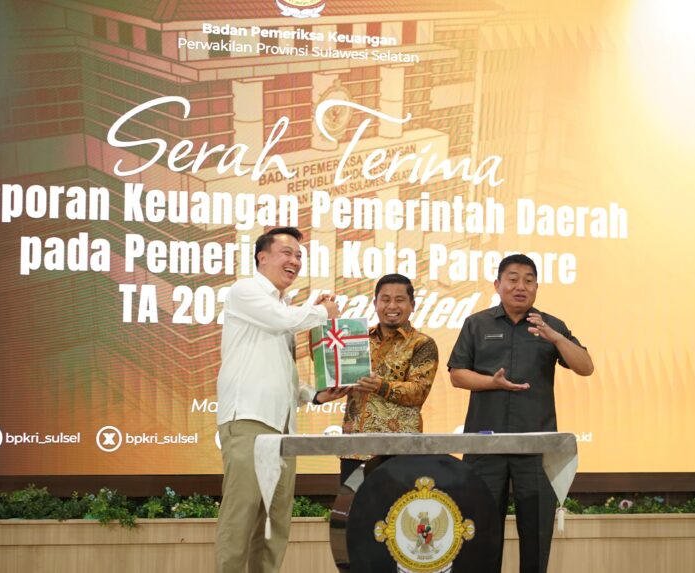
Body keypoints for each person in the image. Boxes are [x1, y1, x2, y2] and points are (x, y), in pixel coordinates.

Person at [447, 254, 593, 573]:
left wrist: (556, 338)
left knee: (537, 535)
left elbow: (586, 367)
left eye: (528, 280)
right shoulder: (477, 324)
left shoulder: (550, 325)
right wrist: (492, 382)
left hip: (535, 448)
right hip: (485, 446)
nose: (520, 286)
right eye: (512, 279)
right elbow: (457, 374)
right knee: (481, 533)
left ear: (537, 287)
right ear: (497, 285)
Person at [215, 226, 349, 573]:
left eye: (299, 256)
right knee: (241, 516)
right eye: (287, 253)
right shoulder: (245, 291)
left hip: (283, 429)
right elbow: (281, 321)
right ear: (262, 257)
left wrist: (314, 395)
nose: (295, 261)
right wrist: (322, 312)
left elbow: (283, 373)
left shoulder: (284, 308)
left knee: (274, 524)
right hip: (249, 420)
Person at [339, 273, 439, 483]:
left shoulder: (422, 343)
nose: (392, 306)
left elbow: (419, 391)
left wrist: (381, 386)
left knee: (396, 504)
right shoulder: (357, 339)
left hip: (400, 450)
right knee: (354, 503)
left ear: (412, 305)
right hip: (355, 448)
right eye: (385, 299)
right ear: (375, 304)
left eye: (399, 300)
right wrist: (321, 319)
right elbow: (329, 365)